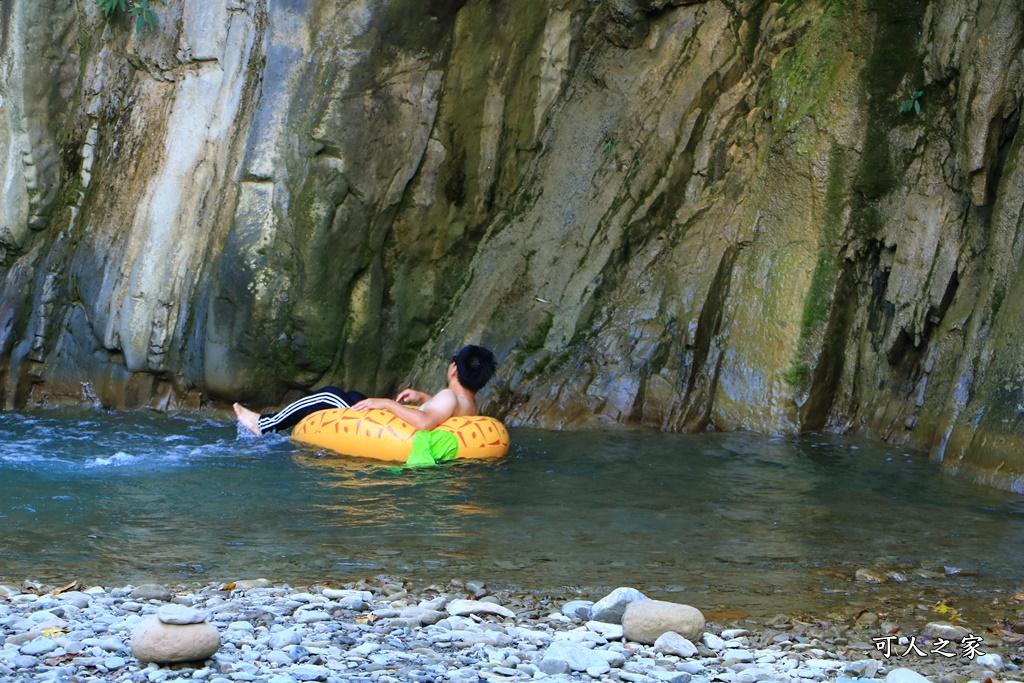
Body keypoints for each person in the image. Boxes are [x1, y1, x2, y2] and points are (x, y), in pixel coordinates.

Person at [233, 344, 498, 436]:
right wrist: (421, 397)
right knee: (356, 398)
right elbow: (445, 411)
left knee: (330, 394)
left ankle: (264, 425)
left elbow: (426, 421)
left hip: (393, 433)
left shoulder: (449, 396)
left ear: (453, 369)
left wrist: (385, 403)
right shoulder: (468, 404)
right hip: (394, 427)